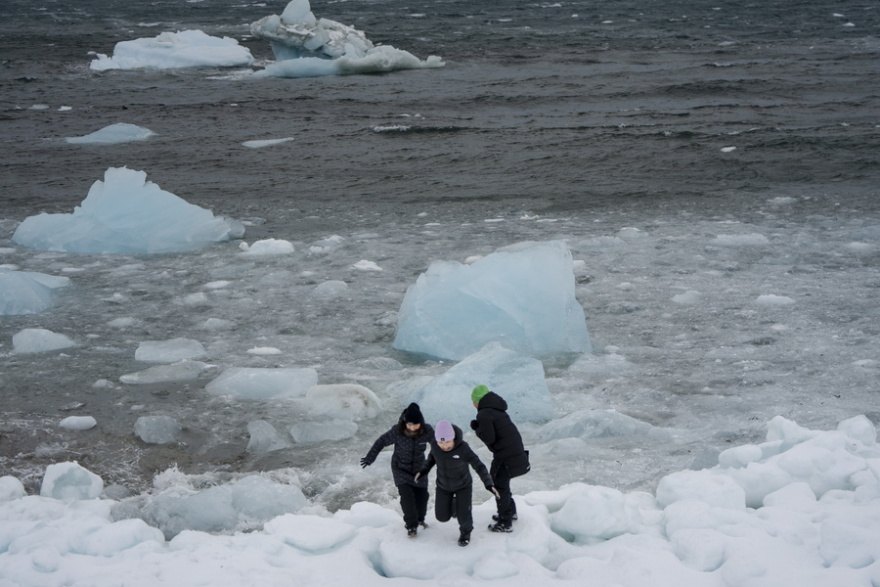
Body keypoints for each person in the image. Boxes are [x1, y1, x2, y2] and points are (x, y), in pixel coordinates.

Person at [415, 420, 498, 547]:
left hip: (463, 486)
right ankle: (455, 505)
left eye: (447, 442)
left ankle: (465, 533)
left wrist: (489, 483)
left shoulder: (463, 448)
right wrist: (422, 471)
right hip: (443, 486)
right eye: (441, 442)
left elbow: (479, 466)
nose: (444, 445)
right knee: (441, 517)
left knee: (464, 516)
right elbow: (431, 459)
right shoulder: (435, 446)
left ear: (453, 438)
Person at [361, 402, 433, 538]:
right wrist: (370, 458)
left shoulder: (427, 430)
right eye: (410, 424)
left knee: (422, 497)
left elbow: (437, 444)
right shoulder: (397, 431)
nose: (412, 428)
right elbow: (381, 441)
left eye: (416, 425)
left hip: (419, 469)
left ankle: (420, 520)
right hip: (401, 468)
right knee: (407, 498)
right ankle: (411, 526)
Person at [469, 384, 530, 533]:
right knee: (503, 484)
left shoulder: (484, 414)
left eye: (473, 400)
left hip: (506, 457)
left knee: (498, 486)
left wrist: (477, 429)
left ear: (477, 401)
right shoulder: (498, 410)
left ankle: (505, 522)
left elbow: (489, 438)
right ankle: (510, 513)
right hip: (516, 453)